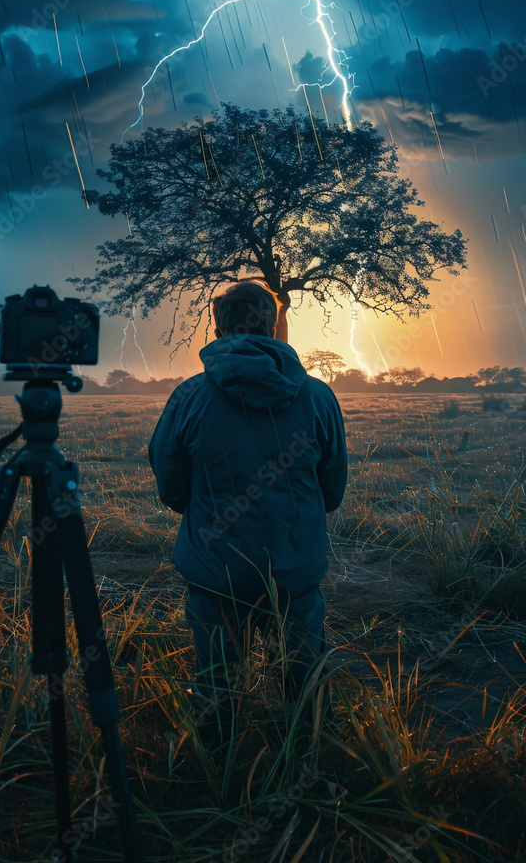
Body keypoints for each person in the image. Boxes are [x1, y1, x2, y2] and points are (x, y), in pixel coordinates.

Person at [149, 281, 348, 747]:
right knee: (303, 691)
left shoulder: (189, 396)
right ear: (274, 325)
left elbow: (169, 482)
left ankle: (218, 775)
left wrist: (207, 512)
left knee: (216, 688)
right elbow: (332, 490)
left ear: (219, 326)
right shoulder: (318, 397)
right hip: (293, 574)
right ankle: (307, 768)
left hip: (214, 571)